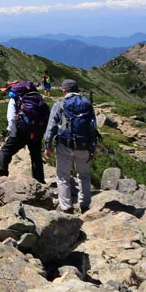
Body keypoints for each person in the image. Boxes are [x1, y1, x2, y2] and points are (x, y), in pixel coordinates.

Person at [44, 79, 100, 213]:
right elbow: (93, 126)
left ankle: (66, 207)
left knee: (63, 176)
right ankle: (85, 205)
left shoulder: (60, 104)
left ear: (64, 90)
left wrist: (47, 145)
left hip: (64, 144)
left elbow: (51, 126)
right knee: (84, 175)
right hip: (83, 144)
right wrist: (92, 148)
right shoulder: (87, 104)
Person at [0, 80, 50, 182]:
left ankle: (1, 177)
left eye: (7, 90)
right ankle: (39, 180)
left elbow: (11, 118)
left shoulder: (15, 99)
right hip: (37, 131)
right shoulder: (36, 96)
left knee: (6, 150)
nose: (7, 93)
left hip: (22, 132)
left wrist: (12, 132)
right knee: (36, 154)